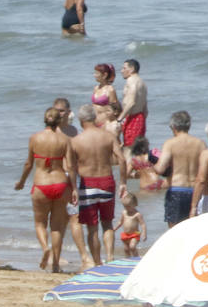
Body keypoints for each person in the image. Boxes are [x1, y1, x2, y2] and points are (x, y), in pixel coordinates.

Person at [15, 107, 75, 273]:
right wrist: (75, 188)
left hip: (41, 185)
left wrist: (21, 182)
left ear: (44, 120)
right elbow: (70, 166)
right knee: (57, 227)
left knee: (40, 223)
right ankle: (55, 264)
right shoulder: (65, 140)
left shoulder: (35, 138)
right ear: (59, 121)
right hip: (61, 184)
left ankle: (44, 248)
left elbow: (29, 164)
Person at [70, 103, 127, 269]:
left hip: (88, 183)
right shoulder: (108, 136)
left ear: (81, 120)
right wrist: (123, 182)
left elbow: (71, 168)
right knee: (108, 224)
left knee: (92, 228)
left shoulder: (76, 141)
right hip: (106, 181)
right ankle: (109, 257)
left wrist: (74, 188)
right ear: (94, 118)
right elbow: (122, 160)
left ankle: (97, 263)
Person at [156, 111, 205, 228]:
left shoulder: (170, 143)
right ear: (189, 126)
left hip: (176, 190)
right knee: (193, 229)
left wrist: (152, 164)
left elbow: (160, 168)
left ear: (173, 127)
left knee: (174, 231)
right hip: (195, 191)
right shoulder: (200, 144)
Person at [120, 59, 147, 149]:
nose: (121, 71)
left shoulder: (131, 81)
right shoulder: (142, 83)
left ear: (131, 69)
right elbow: (145, 108)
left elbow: (131, 102)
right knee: (138, 149)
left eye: (124, 68)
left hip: (132, 118)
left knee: (129, 149)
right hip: (140, 118)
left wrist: (119, 119)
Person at [115, 192, 146, 259]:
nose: (127, 208)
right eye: (125, 206)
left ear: (135, 204)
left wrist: (144, 233)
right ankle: (128, 260)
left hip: (135, 234)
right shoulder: (124, 212)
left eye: (128, 206)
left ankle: (136, 258)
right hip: (126, 234)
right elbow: (120, 222)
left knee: (132, 246)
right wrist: (114, 229)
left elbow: (142, 224)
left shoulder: (137, 214)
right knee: (126, 249)